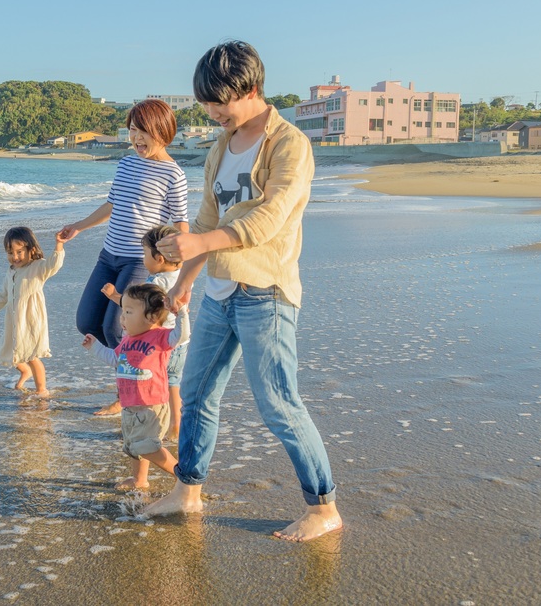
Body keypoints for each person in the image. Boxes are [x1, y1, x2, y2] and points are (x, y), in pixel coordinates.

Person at [142, 41, 342, 543]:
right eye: (206, 102)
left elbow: (269, 217)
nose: (211, 112)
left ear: (251, 89)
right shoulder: (218, 147)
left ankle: (323, 507)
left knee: (278, 403)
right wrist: (185, 279)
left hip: (267, 291)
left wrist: (199, 241)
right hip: (218, 292)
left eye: (219, 102)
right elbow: (209, 218)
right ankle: (188, 492)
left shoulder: (288, 143)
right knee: (197, 392)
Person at [57, 99, 189, 415]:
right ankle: (134, 380)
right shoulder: (127, 163)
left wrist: (181, 274)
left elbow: (181, 225)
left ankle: (130, 395)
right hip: (108, 256)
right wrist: (79, 226)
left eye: (144, 132)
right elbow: (112, 205)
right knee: (87, 322)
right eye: (133, 130)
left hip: (138, 262)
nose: (137, 138)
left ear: (163, 131)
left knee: (117, 329)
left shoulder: (174, 175)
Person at [82, 283, 182, 490]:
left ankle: (182, 475)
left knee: (147, 446)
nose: (122, 318)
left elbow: (182, 335)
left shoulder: (160, 337)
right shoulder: (127, 341)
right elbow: (114, 359)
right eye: (122, 311)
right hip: (130, 404)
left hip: (150, 404)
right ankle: (140, 480)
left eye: (128, 312)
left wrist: (183, 314)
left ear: (151, 317)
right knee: (133, 446)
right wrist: (95, 347)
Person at [100, 224, 191, 441]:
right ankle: (175, 425)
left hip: (159, 343)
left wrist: (115, 296)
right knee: (173, 382)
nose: (143, 259)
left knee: (151, 383)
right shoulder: (182, 276)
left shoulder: (157, 282)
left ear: (159, 258)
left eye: (145, 254)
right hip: (179, 339)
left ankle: (147, 422)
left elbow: (143, 308)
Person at [0, 226, 65, 398]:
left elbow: (53, 265)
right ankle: (25, 372)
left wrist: (59, 245)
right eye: (10, 252)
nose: (15, 257)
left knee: (32, 355)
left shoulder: (38, 267)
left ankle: (42, 389)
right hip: (14, 320)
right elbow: (3, 294)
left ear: (31, 250)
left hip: (31, 319)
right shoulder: (11, 271)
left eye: (19, 252)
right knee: (10, 350)